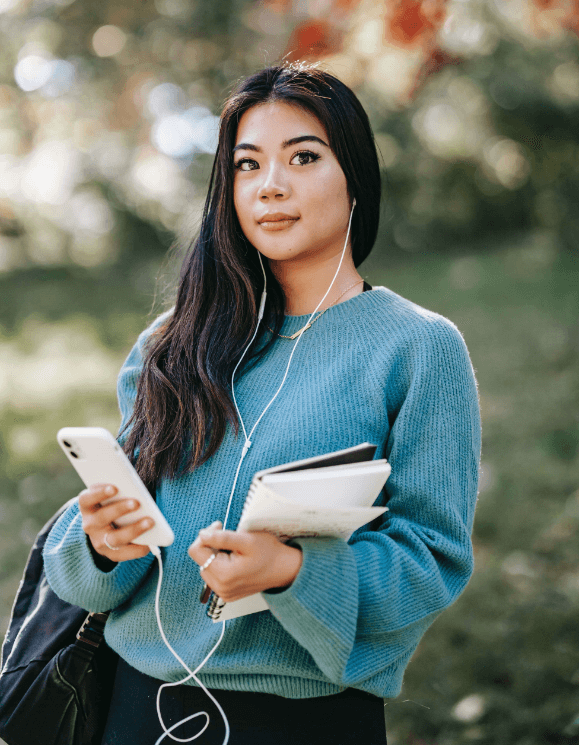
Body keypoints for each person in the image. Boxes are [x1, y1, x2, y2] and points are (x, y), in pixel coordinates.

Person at [43, 62, 481, 745]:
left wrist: (293, 571)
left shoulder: (418, 348)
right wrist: (101, 543)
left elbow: (430, 561)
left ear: (355, 178)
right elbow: (86, 576)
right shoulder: (172, 343)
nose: (271, 184)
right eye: (248, 165)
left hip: (306, 719)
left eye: (302, 156)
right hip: (135, 708)